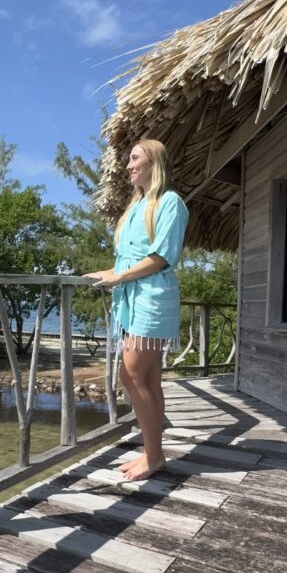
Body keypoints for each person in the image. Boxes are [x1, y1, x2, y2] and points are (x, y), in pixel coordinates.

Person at [84, 139, 189, 481]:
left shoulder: (170, 202)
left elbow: (161, 257)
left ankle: (154, 455)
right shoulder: (136, 206)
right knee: (149, 379)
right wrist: (110, 273)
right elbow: (129, 257)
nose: (128, 166)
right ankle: (153, 453)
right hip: (131, 298)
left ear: (153, 163)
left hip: (153, 299)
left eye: (135, 159)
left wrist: (119, 277)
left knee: (129, 375)